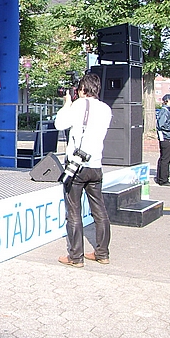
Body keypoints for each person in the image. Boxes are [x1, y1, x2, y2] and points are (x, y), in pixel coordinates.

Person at [54, 73, 112, 268]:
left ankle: (75, 256)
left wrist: (67, 103)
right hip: (95, 165)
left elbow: (59, 124)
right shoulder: (105, 109)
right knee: (100, 210)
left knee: (74, 211)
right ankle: (102, 253)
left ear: (82, 89)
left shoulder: (78, 105)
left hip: (76, 167)